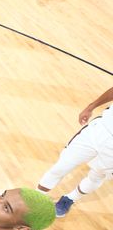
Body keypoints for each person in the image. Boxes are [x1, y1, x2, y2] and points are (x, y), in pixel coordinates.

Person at [37, 87, 113, 216]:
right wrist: (91, 107)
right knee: (62, 165)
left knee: (97, 176)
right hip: (100, 130)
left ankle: (70, 199)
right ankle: (36, 197)